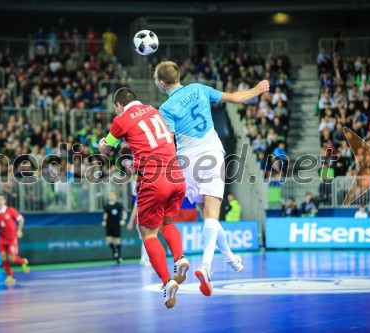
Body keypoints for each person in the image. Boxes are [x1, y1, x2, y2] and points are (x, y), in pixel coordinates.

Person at [154, 60, 269, 296]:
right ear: (178, 76)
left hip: (186, 161)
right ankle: (206, 266)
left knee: (206, 216)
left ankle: (230, 258)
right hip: (211, 155)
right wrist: (258, 89)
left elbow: (167, 141)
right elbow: (236, 98)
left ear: (162, 83)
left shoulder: (165, 109)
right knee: (212, 215)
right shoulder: (198, 88)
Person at [98, 87, 188, 309]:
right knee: (166, 221)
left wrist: (103, 145)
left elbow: (105, 150)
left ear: (118, 105)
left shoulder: (121, 120)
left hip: (154, 179)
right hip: (176, 174)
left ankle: (167, 282)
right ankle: (179, 258)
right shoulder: (153, 110)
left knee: (147, 232)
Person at [0, 195, 30, 284]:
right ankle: (11, 276)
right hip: (1, 238)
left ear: (5, 201)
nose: (0, 201)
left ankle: (23, 262)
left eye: (1, 199)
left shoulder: (10, 210)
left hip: (11, 238)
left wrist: (19, 231)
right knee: (3, 257)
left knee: (12, 258)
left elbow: (21, 219)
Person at [102, 190, 127, 264]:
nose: (111, 196)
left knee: (117, 240)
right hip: (109, 224)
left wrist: (123, 219)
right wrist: (104, 221)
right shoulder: (106, 206)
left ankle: (118, 255)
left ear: (116, 196)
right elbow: (105, 214)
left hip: (116, 224)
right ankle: (114, 251)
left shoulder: (119, 205)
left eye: (113, 195)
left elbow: (124, 213)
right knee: (108, 239)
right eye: (110, 195)